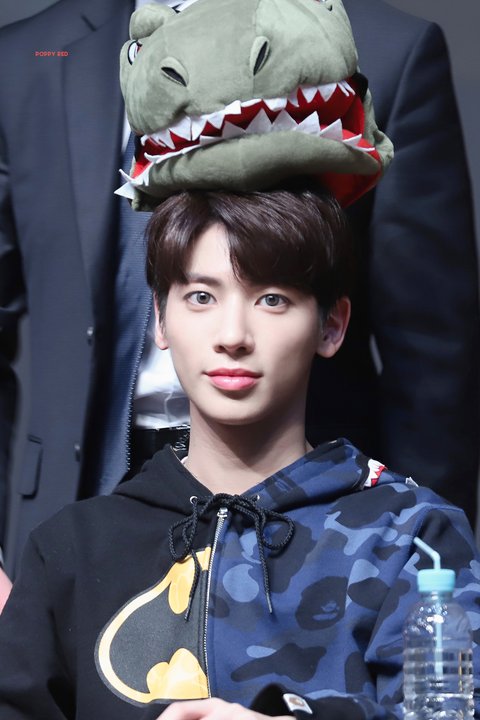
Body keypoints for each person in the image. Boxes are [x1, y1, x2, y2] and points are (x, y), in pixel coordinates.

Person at [0, 0, 477, 580]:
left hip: (319, 529)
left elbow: (433, 357)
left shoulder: (387, 49)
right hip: (75, 511)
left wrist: (431, 569)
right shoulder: (26, 55)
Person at [0, 185, 479, 720]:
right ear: (160, 318)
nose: (232, 336)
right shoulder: (74, 550)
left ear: (331, 325)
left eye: (272, 299)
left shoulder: (409, 539)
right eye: (201, 297)